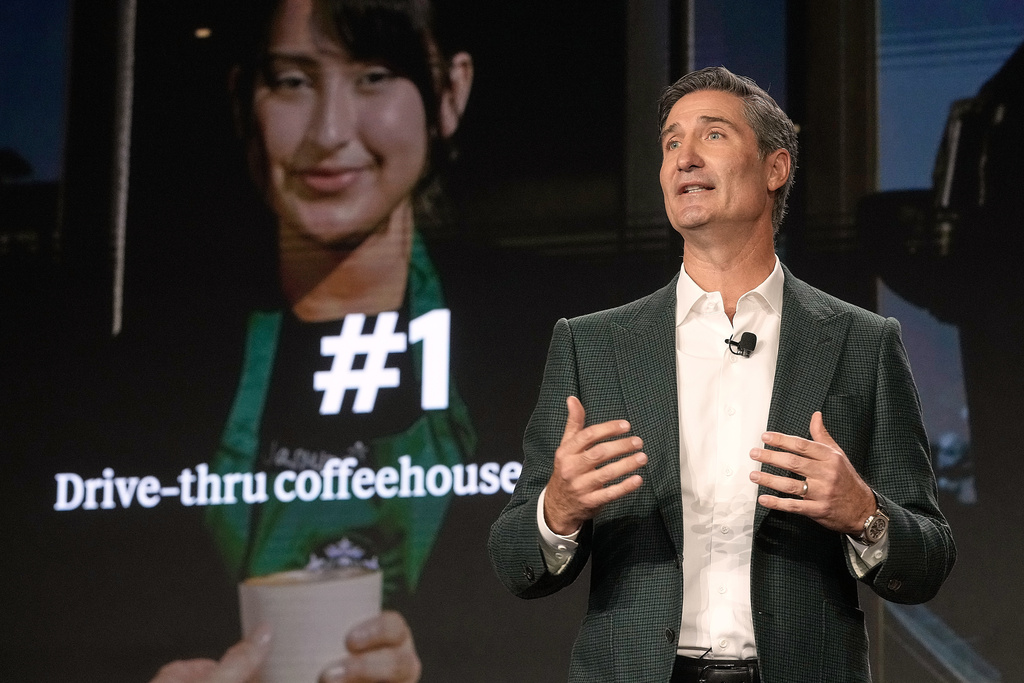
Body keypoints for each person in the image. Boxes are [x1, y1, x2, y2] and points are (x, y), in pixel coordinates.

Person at [488, 66, 956, 683]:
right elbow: (513, 556)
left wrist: (862, 512)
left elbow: (928, 558)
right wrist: (559, 508)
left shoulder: (861, 343)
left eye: (712, 136)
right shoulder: (592, 345)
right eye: (671, 143)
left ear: (775, 169)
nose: (684, 158)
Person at [155, 0, 473, 680]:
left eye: (375, 76)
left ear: (450, 92)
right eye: (293, 82)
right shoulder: (150, 370)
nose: (329, 133)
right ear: (244, 98)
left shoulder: (533, 354)